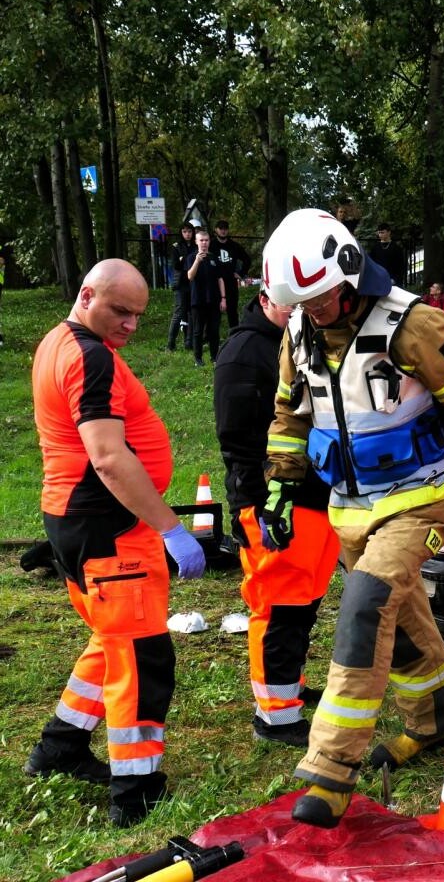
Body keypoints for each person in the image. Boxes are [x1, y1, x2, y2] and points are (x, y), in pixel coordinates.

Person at [260, 208, 444, 828]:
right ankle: (436, 721)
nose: (313, 311)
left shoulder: (414, 326)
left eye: (320, 300)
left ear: (349, 273)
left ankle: (330, 769)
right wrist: (280, 490)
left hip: (421, 494)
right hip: (352, 505)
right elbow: (291, 414)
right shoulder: (299, 331)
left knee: (367, 602)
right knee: (398, 622)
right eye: (302, 302)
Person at [26, 259, 206, 827]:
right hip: (111, 529)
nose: (130, 324)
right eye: (119, 311)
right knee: (140, 657)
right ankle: (136, 791)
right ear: (86, 295)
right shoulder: (89, 355)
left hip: (80, 520)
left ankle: (60, 746)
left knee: (112, 639)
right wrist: (171, 528)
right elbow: (106, 457)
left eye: (138, 315)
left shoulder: (58, 340)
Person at [214, 286, 340, 747]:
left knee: (302, 603)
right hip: (273, 502)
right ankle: (274, 716)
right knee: (279, 606)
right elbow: (239, 441)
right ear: (266, 294)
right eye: (291, 299)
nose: (302, 308)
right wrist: (261, 502)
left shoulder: (301, 339)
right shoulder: (245, 353)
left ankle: (288, 689)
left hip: (313, 495)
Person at [187, 228, 225, 366]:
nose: (204, 243)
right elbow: (190, 276)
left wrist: (223, 298)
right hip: (198, 300)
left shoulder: (214, 258)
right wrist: (197, 261)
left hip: (214, 300)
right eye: (201, 240)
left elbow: (220, 279)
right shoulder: (191, 257)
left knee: (214, 330)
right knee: (198, 331)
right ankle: (198, 359)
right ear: (196, 242)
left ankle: (215, 357)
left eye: (206, 240)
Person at [166, 220, 197, 351]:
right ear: (181, 233)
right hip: (181, 284)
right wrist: (184, 259)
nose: (187, 234)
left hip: (194, 283)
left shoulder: (196, 246)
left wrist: (183, 259)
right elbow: (176, 266)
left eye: (189, 231)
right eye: (184, 231)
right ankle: (170, 344)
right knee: (179, 313)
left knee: (191, 312)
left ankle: (189, 342)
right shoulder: (176, 246)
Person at [213, 220, 250, 330]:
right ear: (216, 230)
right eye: (221, 228)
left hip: (230, 283)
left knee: (232, 310)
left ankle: (234, 333)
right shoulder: (211, 245)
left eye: (225, 228)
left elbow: (247, 260)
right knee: (213, 311)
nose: (223, 231)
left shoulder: (234, 246)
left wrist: (240, 273)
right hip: (215, 283)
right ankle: (209, 336)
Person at [369, 222, 408, 287]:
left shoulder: (396, 248)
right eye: (379, 232)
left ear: (389, 232)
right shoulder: (375, 248)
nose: (380, 235)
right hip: (378, 280)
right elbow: (372, 264)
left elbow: (401, 266)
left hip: (392, 280)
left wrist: (395, 279)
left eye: (382, 232)